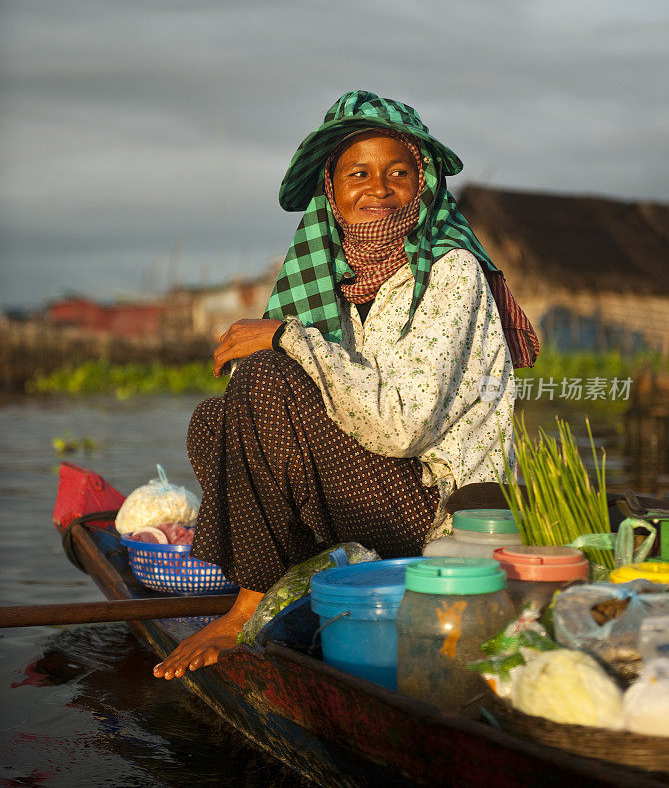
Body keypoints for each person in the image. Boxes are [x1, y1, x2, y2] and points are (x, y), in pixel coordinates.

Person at [153, 91, 538, 680]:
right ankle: (297, 576)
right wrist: (296, 343)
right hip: (378, 490)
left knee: (269, 371)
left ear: (422, 186)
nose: (378, 188)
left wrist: (291, 339)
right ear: (332, 192)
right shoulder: (344, 287)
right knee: (215, 420)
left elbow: (403, 426)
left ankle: (246, 609)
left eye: (398, 173)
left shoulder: (449, 271)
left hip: (436, 514)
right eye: (359, 172)